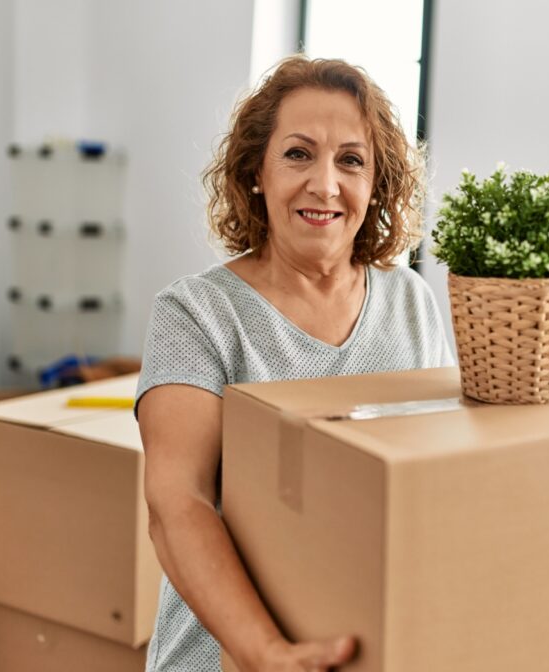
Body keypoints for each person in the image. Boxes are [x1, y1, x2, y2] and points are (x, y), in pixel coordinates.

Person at [135, 55, 453, 672]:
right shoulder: (195, 313)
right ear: (256, 171)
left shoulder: (411, 299)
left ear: (377, 185)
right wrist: (269, 654)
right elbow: (178, 504)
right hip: (227, 657)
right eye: (298, 154)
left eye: (351, 161)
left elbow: (432, 477)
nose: (326, 185)